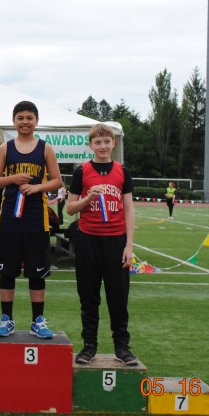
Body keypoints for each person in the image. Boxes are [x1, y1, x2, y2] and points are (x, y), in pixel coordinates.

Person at [0, 101, 62, 340]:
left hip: (36, 220)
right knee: (7, 272)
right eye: (20, 118)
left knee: (36, 273)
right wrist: (13, 178)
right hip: (9, 218)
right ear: (14, 121)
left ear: (36, 121)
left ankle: (37, 321)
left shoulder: (45, 148)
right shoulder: (5, 148)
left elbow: (57, 181)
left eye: (29, 117)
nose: (25, 122)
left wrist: (37, 186)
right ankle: (6, 319)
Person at [66, 123, 137, 366]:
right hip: (88, 240)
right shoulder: (81, 172)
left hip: (116, 241)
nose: (103, 146)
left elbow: (128, 209)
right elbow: (70, 208)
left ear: (114, 143)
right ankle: (89, 346)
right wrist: (88, 198)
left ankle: (122, 347)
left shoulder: (122, 171)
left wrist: (129, 246)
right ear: (91, 145)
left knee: (118, 297)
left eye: (107, 142)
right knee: (88, 297)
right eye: (98, 142)